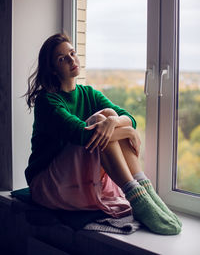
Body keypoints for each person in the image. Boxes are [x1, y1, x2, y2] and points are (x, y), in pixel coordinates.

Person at [24, 33, 181, 235]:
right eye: (62, 58)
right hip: (47, 184)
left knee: (109, 115)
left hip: (74, 177)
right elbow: (84, 135)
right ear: (53, 69)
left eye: (72, 53)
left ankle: (144, 189)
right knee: (101, 122)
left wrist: (118, 123)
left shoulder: (89, 93)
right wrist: (127, 132)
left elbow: (128, 117)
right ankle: (137, 198)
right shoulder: (47, 101)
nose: (72, 60)